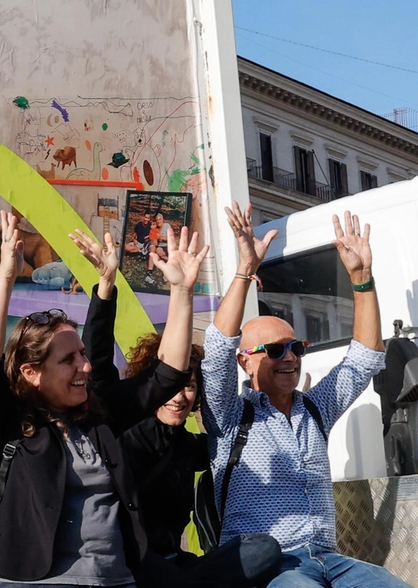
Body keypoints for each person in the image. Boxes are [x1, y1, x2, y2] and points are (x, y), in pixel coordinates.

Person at [0, 211, 208, 588]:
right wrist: (6, 276)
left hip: (115, 579)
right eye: (69, 360)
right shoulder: (7, 425)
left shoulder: (100, 416)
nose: (85, 367)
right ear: (30, 372)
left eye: (83, 355)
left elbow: (166, 376)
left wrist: (182, 292)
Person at [202, 203, 411, 588]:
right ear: (245, 362)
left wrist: (362, 279)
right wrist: (246, 270)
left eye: (296, 347)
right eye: (275, 350)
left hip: (330, 559)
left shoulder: (315, 408)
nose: (290, 358)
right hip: (269, 565)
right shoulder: (230, 416)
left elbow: (365, 357)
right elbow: (215, 353)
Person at [84, 230, 282, 588]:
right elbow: (97, 364)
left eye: (189, 387)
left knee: (264, 550)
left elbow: (241, 448)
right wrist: (105, 286)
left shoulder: (190, 447)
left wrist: (280, 402)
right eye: (173, 387)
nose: (179, 396)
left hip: (177, 564)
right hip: (129, 566)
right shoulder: (120, 431)